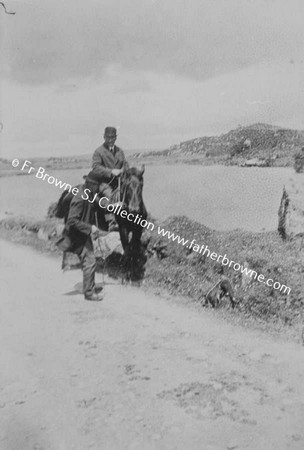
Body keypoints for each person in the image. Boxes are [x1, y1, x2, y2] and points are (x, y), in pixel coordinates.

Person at [65, 171, 103, 301]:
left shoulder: (88, 194)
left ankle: (90, 286)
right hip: (77, 235)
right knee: (90, 261)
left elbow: (99, 204)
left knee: (89, 260)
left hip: (83, 233)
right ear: (91, 185)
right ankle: (89, 293)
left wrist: (114, 206)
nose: (98, 188)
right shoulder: (80, 198)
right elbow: (71, 220)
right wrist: (90, 228)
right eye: (97, 186)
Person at [91, 126, 129, 231]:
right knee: (109, 195)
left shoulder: (120, 151)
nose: (110, 140)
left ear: (116, 138)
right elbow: (96, 167)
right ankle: (112, 223)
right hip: (104, 183)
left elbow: (125, 164)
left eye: (112, 137)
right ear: (104, 137)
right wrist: (111, 172)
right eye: (108, 137)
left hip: (119, 183)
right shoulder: (99, 152)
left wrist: (124, 170)